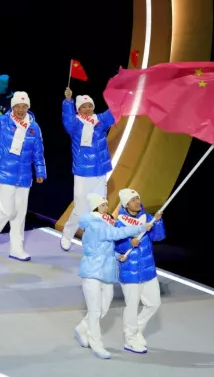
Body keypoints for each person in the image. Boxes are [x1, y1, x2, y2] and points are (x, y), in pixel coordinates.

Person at [74, 193, 156, 360]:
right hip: (92, 272)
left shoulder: (105, 223)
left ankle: (82, 328)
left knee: (103, 308)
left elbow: (107, 248)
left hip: (107, 271)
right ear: (96, 207)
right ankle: (96, 344)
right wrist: (141, 227)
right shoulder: (96, 224)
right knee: (95, 309)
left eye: (106, 204)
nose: (107, 207)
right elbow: (116, 233)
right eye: (103, 205)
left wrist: (118, 257)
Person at [0, 91, 47, 260]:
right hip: (6, 173)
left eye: (24, 106)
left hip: (25, 177)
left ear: (28, 107)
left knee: (20, 214)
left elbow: (38, 152)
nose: (20, 110)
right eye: (17, 106)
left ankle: (17, 248)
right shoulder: (2, 122)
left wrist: (40, 171)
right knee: (7, 211)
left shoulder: (34, 127)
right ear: (12, 107)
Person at [60, 87, 116, 251]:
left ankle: (94, 242)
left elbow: (113, 112)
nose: (88, 109)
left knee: (99, 209)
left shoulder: (100, 120)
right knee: (80, 209)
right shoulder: (75, 124)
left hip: (99, 172)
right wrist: (68, 101)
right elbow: (68, 119)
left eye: (90, 106)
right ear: (79, 109)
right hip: (83, 173)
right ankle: (67, 234)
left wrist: (121, 97)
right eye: (84, 106)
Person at [113, 188, 166, 354]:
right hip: (130, 272)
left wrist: (157, 222)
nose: (138, 201)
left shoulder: (148, 218)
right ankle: (130, 339)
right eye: (133, 199)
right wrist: (130, 243)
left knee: (154, 303)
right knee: (132, 306)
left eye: (138, 198)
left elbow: (158, 237)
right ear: (125, 203)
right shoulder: (119, 222)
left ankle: (138, 330)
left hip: (147, 270)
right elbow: (116, 245)